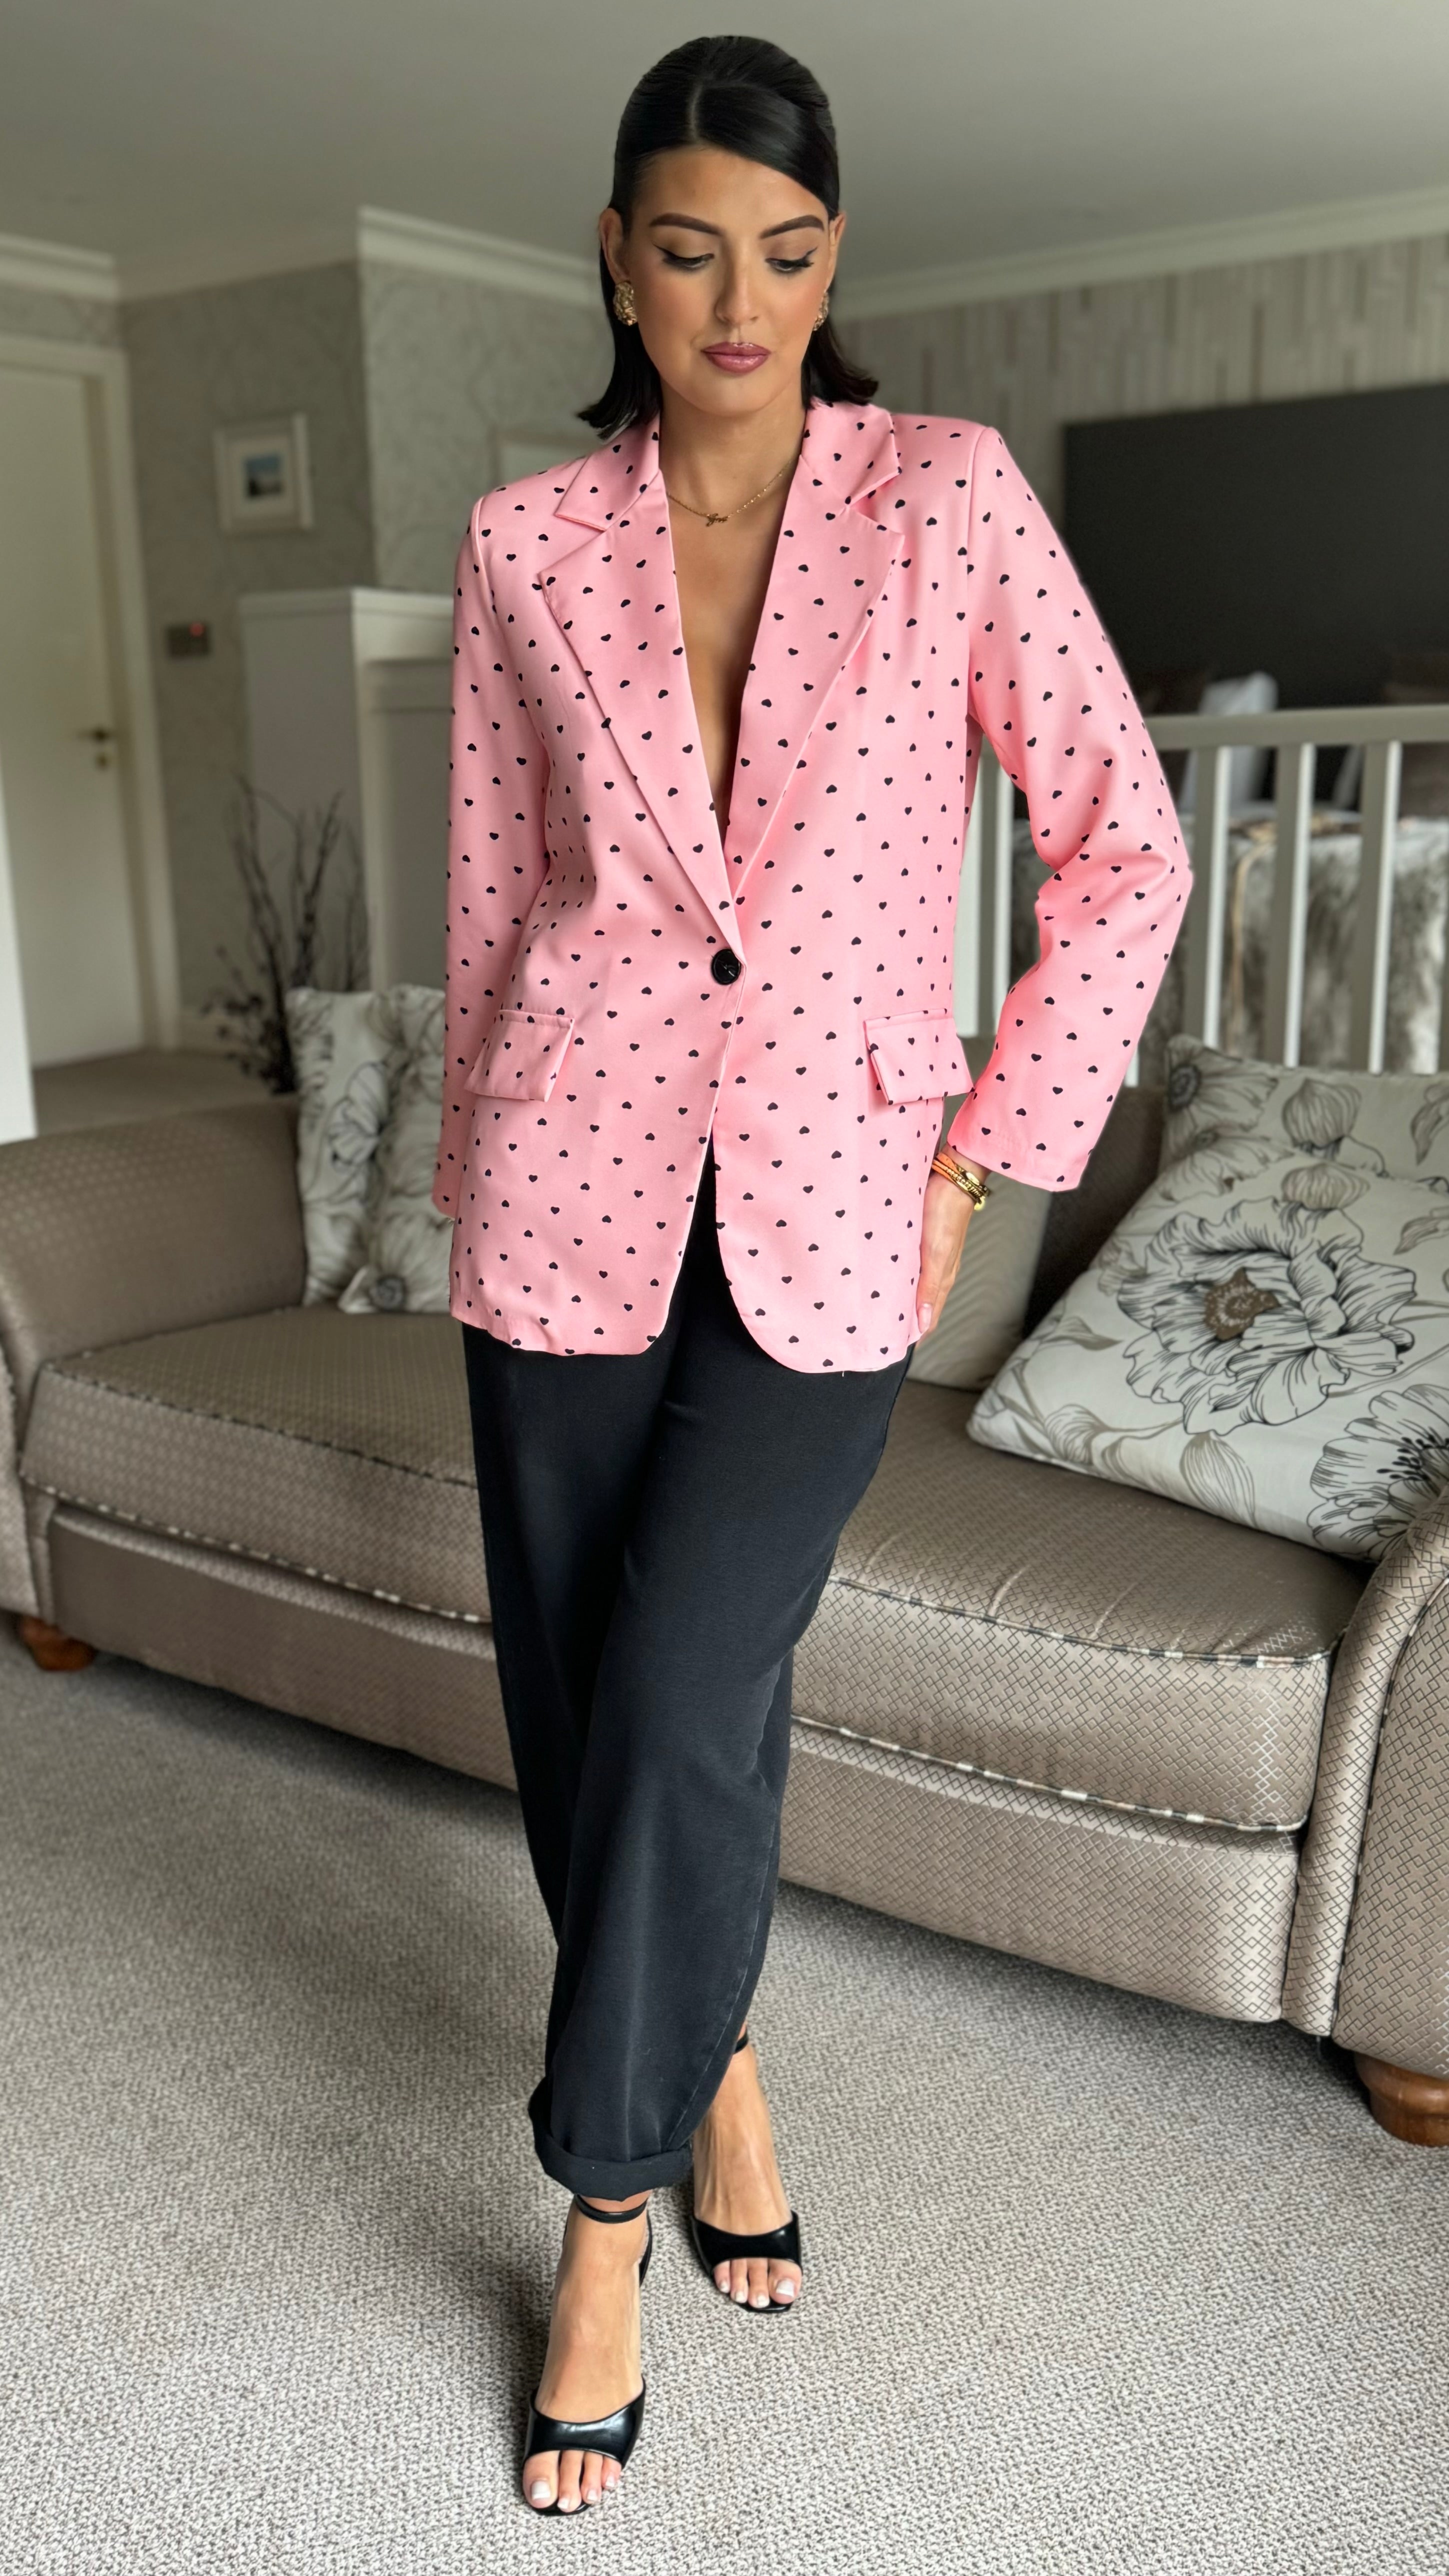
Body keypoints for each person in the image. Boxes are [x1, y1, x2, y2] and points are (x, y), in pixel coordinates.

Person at [432, 32, 1188, 2518]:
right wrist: (457, 1181)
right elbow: (488, 904)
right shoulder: (522, 544)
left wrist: (991, 1149)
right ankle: (723, 2067)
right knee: (586, 1708)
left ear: (830, 259)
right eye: (685, 251)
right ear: (616, 265)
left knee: (679, 1685)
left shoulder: (945, 499)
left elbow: (1125, 850)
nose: (734, 299)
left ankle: (600, 2215)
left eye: (780, 252)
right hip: (558, 1190)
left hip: (844, 1211)